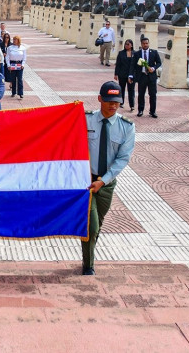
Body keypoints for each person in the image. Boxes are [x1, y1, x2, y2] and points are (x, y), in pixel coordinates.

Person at [82, 81, 135, 275]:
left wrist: (103, 181)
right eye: (108, 101)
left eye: (117, 102)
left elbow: (122, 158)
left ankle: (89, 253)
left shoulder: (127, 127)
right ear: (99, 99)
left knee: (98, 224)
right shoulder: (86, 120)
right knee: (92, 226)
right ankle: (88, 265)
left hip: (107, 183)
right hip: (87, 181)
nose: (113, 106)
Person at [130, 37, 161, 118]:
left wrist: (153, 68)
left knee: (153, 94)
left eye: (147, 43)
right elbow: (132, 65)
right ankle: (140, 110)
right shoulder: (137, 54)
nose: (145, 45)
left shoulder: (154, 52)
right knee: (141, 95)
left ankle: (152, 111)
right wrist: (130, 75)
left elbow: (159, 63)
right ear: (141, 44)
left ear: (149, 43)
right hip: (141, 77)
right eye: (144, 43)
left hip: (151, 77)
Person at [114, 38, 136, 111]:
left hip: (131, 75)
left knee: (131, 90)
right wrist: (116, 74)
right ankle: (121, 102)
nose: (126, 45)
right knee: (121, 88)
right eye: (125, 44)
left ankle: (132, 105)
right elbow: (118, 64)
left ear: (131, 45)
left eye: (128, 44)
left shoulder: (135, 53)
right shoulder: (121, 53)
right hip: (122, 74)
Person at [5, 35, 26, 100]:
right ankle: (13, 92)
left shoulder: (23, 48)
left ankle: (20, 93)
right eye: (13, 39)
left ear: (18, 40)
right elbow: (7, 57)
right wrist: (8, 65)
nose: (14, 41)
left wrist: (23, 64)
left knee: (19, 79)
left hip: (19, 64)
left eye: (15, 40)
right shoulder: (10, 48)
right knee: (13, 79)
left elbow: (24, 57)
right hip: (12, 64)